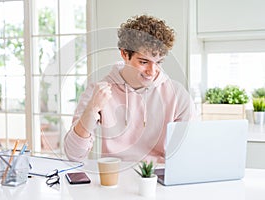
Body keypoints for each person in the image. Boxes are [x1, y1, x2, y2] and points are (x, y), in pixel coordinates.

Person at [64, 15, 197, 163]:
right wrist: (92, 109)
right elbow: (74, 155)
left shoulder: (178, 95)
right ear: (125, 54)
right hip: (115, 177)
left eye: (158, 62)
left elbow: (189, 153)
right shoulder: (99, 91)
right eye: (143, 62)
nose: (152, 71)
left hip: (159, 178)